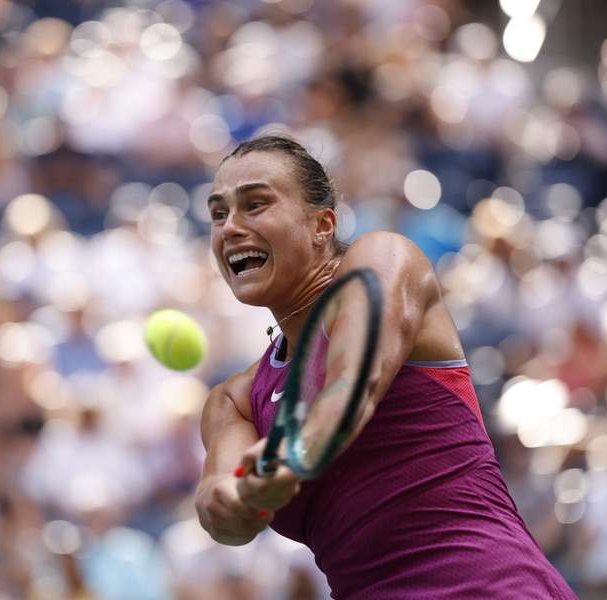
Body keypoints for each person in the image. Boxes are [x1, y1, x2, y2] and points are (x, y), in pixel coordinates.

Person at [194, 135, 578, 599]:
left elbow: (356, 379)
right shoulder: (233, 400)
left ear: (322, 224)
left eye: (255, 205)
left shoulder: (383, 258)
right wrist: (238, 499)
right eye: (219, 213)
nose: (231, 226)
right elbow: (225, 513)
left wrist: (291, 456)